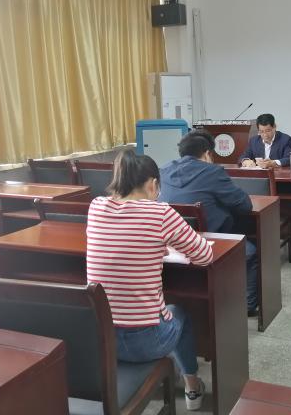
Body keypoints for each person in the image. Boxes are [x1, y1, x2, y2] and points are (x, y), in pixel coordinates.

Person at [86, 150, 213, 411]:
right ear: (153, 185)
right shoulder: (160, 213)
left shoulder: (96, 206)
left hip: (101, 338)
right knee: (180, 314)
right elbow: (204, 255)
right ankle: (192, 387)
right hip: (143, 343)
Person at [159, 130, 259, 315]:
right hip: (206, 241)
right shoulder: (213, 171)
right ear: (207, 154)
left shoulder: (164, 170)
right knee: (251, 251)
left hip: (171, 241)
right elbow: (245, 205)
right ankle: (248, 307)